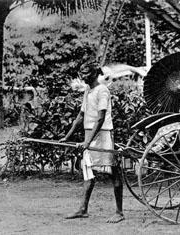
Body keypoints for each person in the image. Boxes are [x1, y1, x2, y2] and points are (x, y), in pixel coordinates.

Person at [60, 65, 124, 223]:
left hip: (103, 133)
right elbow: (81, 116)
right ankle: (83, 209)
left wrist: (87, 142)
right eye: (81, 73)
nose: (83, 75)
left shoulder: (102, 90)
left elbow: (101, 118)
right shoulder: (88, 90)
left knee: (113, 170)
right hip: (90, 132)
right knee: (88, 170)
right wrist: (67, 137)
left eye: (86, 72)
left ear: (95, 73)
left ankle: (119, 212)